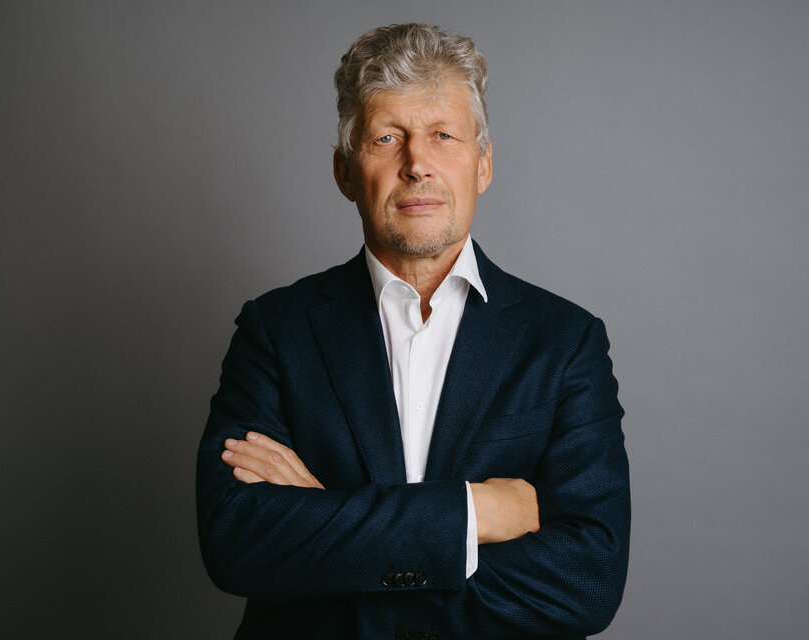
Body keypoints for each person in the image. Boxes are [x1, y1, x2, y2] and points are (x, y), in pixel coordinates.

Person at [196, 23, 629, 640]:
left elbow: (588, 583)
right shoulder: (275, 330)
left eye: (443, 136)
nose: (417, 164)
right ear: (345, 172)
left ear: (483, 165)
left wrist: (329, 526)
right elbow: (238, 544)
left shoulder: (566, 342)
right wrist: (473, 513)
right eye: (386, 138)